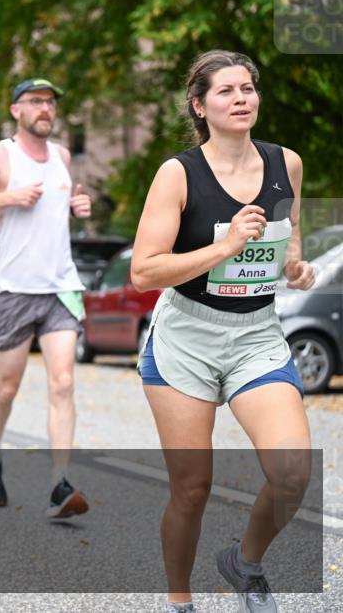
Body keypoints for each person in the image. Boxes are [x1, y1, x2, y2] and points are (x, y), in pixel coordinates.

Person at [130, 50, 315, 613]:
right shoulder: (178, 173)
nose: (241, 98)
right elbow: (144, 271)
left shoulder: (288, 162)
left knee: (292, 473)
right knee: (192, 489)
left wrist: (295, 268)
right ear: (200, 105)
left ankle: (246, 563)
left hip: (257, 336)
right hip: (186, 337)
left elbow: (290, 240)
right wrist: (223, 248)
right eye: (226, 91)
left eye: (248, 88)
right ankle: (179, 601)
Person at [0, 77, 92, 518]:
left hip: (60, 287)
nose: (45, 108)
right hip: (13, 289)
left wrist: (78, 208)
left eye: (51, 102)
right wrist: (8, 197)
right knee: (7, 386)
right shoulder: (0, 155)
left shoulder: (64, 157)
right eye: (36, 101)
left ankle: (59, 484)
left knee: (63, 382)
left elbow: (65, 205)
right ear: (16, 110)